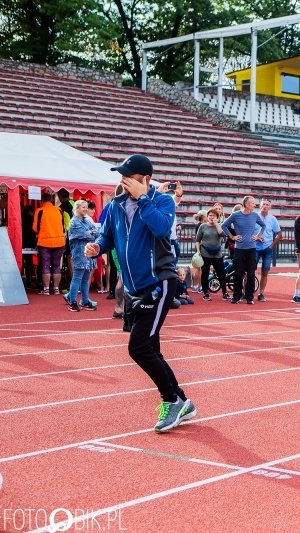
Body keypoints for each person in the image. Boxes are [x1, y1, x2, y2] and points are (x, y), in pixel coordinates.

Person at [86, 154, 196, 432]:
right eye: (122, 175)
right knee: (151, 348)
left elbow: (161, 228)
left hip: (158, 282)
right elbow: (107, 236)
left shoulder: (162, 201)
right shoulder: (116, 205)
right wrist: (97, 247)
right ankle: (182, 400)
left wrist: (144, 198)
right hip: (133, 287)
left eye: (130, 176)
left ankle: (171, 400)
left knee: (138, 348)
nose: (124, 181)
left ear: (146, 179)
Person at [221, 196, 266, 305]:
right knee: (238, 273)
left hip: (251, 248)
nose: (255, 205)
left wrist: (258, 236)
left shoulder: (255, 215)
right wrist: (232, 237)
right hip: (239, 249)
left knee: (251, 274)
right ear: (246, 204)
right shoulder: (235, 215)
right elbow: (224, 225)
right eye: (252, 203)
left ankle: (249, 297)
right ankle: (236, 296)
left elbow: (263, 226)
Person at [65, 200, 99, 312]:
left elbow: (97, 233)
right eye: (83, 207)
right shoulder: (74, 222)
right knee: (77, 277)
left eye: (86, 207)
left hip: (89, 253)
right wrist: (91, 233)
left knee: (85, 279)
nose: (86, 209)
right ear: (77, 208)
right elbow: (85, 234)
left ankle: (85, 301)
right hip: (79, 253)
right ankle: (72, 302)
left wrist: (90, 233)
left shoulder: (86, 220)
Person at [32, 193, 67, 295]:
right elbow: (63, 227)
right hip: (59, 241)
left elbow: (35, 228)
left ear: (42, 201)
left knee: (45, 265)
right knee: (56, 265)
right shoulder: (59, 210)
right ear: (51, 200)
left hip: (44, 242)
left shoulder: (39, 211)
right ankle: (56, 288)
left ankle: (46, 289)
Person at [196, 208, 229, 301]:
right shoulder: (202, 226)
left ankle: (224, 292)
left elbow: (223, 236)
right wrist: (198, 251)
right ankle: (206, 292)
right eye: (210, 215)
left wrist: (217, 224)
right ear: (207, 216)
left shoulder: (220, 226)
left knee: (221, 273)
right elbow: (197, 240)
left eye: (214, 216)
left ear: (217, 217)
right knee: (205, 273)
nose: (211, 217)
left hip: (217, 254)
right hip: (205, 253)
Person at [252, 199, 282, 302]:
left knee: (265, 271)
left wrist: (272, 245)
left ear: (270, 207)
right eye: (263, 204)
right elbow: (248, 230)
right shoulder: (254, 216)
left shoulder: (272, 219)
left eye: (267, 205)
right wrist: (255, 237)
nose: (265, 206)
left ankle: (261, 293)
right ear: (260, 206)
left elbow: (279, 233)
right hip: (255, 247)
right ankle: (246, 292)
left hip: (267, 248)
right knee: (250, 271)